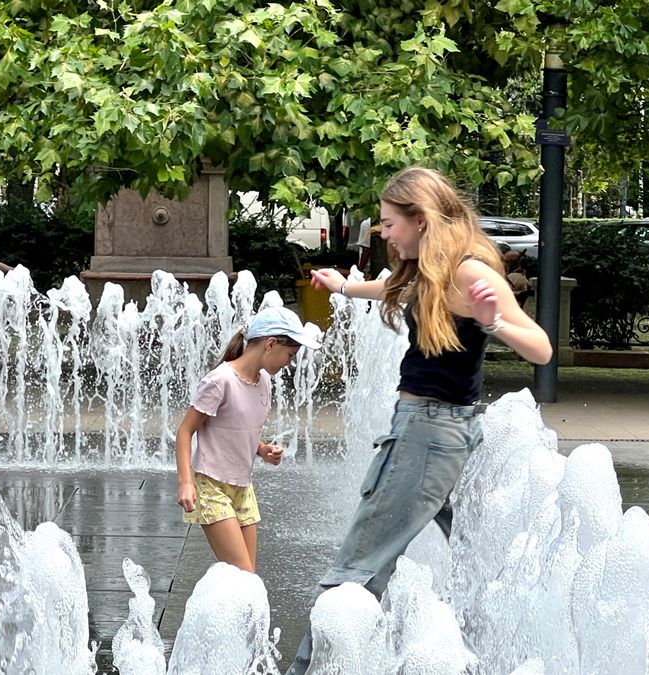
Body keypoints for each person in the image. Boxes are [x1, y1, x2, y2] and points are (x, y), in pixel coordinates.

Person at [287, 167, 552, 673]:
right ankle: (497, 655)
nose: (384, 232)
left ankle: (309, 668)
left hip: (428, 434)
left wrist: (494, 320)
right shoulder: (432, 270)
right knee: (478, 560)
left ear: (422, 218)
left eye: (389, 222)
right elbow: (398, 294)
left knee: (359, 564)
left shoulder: (471, 273)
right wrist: (343, 288)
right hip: (440, 431)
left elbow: (540, 349)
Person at [175, 306, 322, 573]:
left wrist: (263, 449)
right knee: (244, 573)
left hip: (243, 488)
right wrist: (186, 483)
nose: (288, 363)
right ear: (271, 344)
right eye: (289, 355)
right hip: (211, 486)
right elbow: (185, 431)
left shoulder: (263, 380)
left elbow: (238, 428)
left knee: (247, 579)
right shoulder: (220, 380)